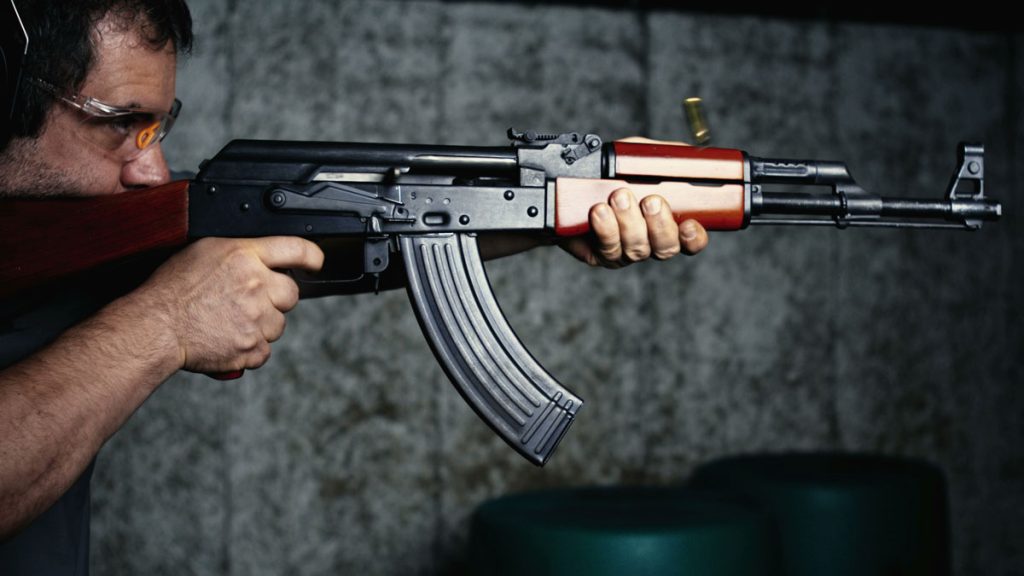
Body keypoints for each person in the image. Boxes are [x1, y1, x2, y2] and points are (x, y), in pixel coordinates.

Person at [0, 0, 709, 573]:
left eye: (158, 128)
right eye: (122, 125)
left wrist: (550, 216)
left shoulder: (76, 236)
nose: (152, 172)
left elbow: (369, 229)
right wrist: (163, 324)